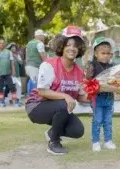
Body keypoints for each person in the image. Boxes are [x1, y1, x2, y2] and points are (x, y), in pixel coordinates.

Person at [25, 26, 88, 155]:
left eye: (76, 46)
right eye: (68, 44)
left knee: (77, 130)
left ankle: (53, 132)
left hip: (60, 107)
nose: (72, 48)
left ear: (80, 49)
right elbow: (42, 92)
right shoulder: (49, 64)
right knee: (64, 104)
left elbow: (81, 97)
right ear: (62, 46)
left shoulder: (79, 72)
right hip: (36, 106)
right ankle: (54, 143)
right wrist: (65, 96)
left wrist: (98, 93)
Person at [87, 37, 120, 152]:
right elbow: (88, 80)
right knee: (97, 119)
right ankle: (95, 142)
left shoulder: (112, 66)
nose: (106, 55)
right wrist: (89, 75)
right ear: (96, 53)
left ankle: (108, 141)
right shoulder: (92, 65)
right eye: (102, 53)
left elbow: (116, 79)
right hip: (97, 98)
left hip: (109, 97)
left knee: (108, 120)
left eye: (108, 53)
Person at [0, 37, 17, 107]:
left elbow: (12, 62)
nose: (2, 44)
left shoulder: (9, 52)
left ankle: (16, 101)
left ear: (4, 44)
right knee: (0, 87)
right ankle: (2, 102)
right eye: (0, 43)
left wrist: (13, 71)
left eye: (3, 43)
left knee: (11, 86)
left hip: (8, 73)